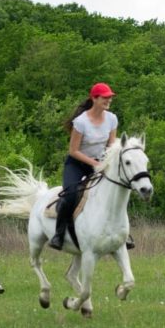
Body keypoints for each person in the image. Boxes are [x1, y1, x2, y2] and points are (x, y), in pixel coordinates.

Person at [49, 82, 133, 251]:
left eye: (110, 97)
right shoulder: (80, 122)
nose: (109, 100)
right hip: (77, 164)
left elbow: (110, 145)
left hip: (101, 163)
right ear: (94, 98)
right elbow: (73, 151)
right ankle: (59, 234)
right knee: (70, 195)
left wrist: (106, 163)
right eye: (105, 97)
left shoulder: (112, 118)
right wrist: (95, 163)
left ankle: (123, 234)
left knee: (116, 191)